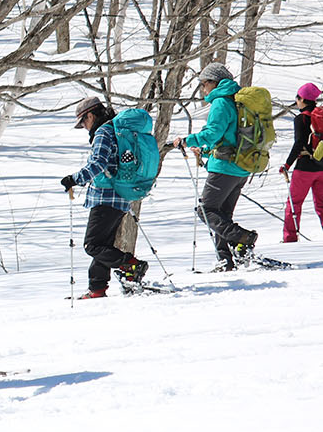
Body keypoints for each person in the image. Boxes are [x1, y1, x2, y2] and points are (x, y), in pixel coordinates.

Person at [60, 97, 150, 298]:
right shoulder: (114, 130)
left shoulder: (103, 132)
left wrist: (74, 179)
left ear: (91, 115)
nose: (84, 127)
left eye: (83, 122)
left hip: (106, 197)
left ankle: (132, 265)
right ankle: (97, 288)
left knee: (92, 245)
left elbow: (98, 164)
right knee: (103, 246)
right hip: (119, 197)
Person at [171, 62, 258, 270]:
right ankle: (226, 260)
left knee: (205, 210)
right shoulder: (236, 101)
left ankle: (243, 237)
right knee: (221, 215)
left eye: (204, 84)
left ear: (214, 82)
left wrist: (187, 140)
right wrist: (207, 151)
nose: (203, 89)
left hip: (224, 168)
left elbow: (213, 133)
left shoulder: (221, 102)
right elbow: (228, 137)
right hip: (241, 166)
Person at [280, 83, 323, 243]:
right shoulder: (321, 116)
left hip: (305, 168)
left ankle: (290, 239)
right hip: (322, 167)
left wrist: (287, 164)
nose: (296, 101)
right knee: (322, 206)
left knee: (294, 204)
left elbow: (299, 143)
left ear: (303, 99)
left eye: (297, 97)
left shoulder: (302, 119)